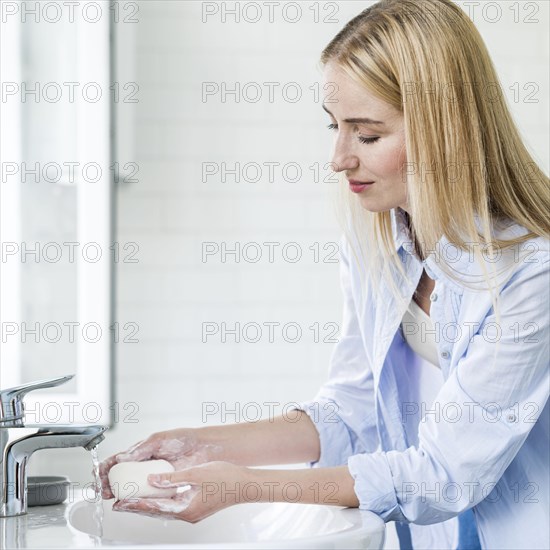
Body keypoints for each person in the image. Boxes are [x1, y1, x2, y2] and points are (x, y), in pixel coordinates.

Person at [99, 0, 550, 548]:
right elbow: (351, 411)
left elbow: (446, 473)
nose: (338, 158)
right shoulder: (377, 242)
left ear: (445, 131)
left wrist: (248, 491)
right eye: (334, 127)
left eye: (366, 135)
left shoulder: (531, 272)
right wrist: (199, 446)